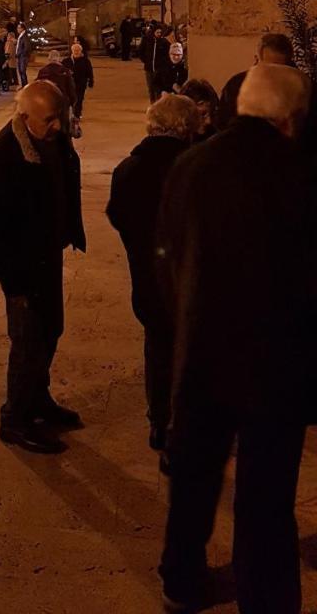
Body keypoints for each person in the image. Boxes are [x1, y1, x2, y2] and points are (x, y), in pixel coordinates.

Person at [157, 64, 312, 614]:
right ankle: (265, 599)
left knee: (194, 480)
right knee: (266, 500)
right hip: (277, 367)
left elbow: (171, 254)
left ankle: (180, 579)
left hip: (203, 353)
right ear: (291, 118)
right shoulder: (302, 172)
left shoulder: (193, 165)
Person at [0, 80, 87, 454]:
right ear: (25, 117)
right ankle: (15, 418)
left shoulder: (51, 141)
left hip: (46, 254)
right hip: (22, 266)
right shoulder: (6, 154)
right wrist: (13, 283)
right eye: (49, 119)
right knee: (27, 342)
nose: (57, 126)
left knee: (51, 330)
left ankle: (38, 400)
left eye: (60, 118)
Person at [106, 94, 200, 459]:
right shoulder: (194, 168)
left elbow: (117, 216)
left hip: (147, 279)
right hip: (189, 283)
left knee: (158, 349)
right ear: (186, 128)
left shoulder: (128, 168)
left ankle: (159, 421)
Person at [216, 31, 294, 129]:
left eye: (281, 69)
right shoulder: (236, 87)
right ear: (257, 60)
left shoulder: (301, 91)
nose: (275, 74)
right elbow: (224, 125)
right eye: (269, 68)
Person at [66, 40, 94, 122]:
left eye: (78, 51)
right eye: (75, 50)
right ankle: (70, 114)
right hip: (69, 84)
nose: (76, 52)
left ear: (81, 51)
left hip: (81, 84)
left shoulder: (85, 61)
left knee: (79, 99)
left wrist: (91, 81)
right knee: (69, 99)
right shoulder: (67, 61)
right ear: (72, 51)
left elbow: (90, 72)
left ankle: (77, 114)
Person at [15, 22, 30, 88]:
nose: (17, 29)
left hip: (23, 57)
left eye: (19, 28)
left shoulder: (24, 36)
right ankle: (23, 85)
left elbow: (26, 47)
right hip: (20, 56)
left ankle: (25, 86)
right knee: (21, 72)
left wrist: (20, 54)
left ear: (22, 29)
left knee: (22, 71)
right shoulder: (21, 36)